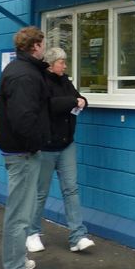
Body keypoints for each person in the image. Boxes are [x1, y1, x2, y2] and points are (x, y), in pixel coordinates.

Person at [0, 26, 51, 269]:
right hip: (22, 152)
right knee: (19, 213)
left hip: (22, 150)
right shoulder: (24, 76)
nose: (46, 47)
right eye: (44, 43)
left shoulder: (22, 70)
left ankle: (17, 258)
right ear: (36, 46)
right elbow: (23, 118)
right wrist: (37, 142)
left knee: (24, 211)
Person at [26, 47, 95, 253]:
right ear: (51, 63)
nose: (64, 66)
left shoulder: (65, 81)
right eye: (61, 62)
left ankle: (77, 237)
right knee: (40, 192)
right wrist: (73, 101)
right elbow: (50, 105)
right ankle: (32, 233)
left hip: (66, 145)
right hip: (46, 146)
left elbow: (79, 99)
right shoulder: (40, 81)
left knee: (71, 189)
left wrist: (82, 101)